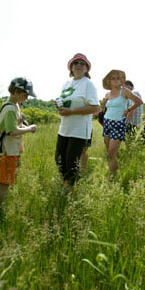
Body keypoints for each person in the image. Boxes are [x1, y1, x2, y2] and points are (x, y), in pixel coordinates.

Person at [55, 53, 100, 189]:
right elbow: (66, 102)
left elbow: (95, 107)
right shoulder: (66, 84)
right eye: (76, 63)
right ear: (71, 67)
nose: (79, 65)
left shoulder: (88, 84)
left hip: (79, 130)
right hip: (64, 128)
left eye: (82, 63)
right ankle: (65, 184)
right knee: (59, 159)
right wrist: (59, 105)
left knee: (71, 162)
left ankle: (71, 190)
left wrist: (72, 111)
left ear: (87, 68)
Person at [0, 77, 37, 209]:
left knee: (8, 178)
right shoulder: (9, 109)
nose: (27, 98)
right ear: (17, 91)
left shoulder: (15, 106)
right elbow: (11, 131)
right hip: (6, 151)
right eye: (26, 95)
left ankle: (2, 203)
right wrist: (29, 129)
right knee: (4, 182)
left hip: (13, 150)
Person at [101, 70, 143, 177]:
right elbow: (105, 110)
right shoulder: (107, 94)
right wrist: (103, 104)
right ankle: (112, 172)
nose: (115, 80)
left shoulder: (124, 91)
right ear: (109, 81)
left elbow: (139, 101)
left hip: (118, 124)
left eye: (117, 78)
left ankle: (112, 177)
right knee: (110, 154)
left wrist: (128, 110)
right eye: (113, 78)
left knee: (111, 152)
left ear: (121, 81)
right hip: (107, 122)